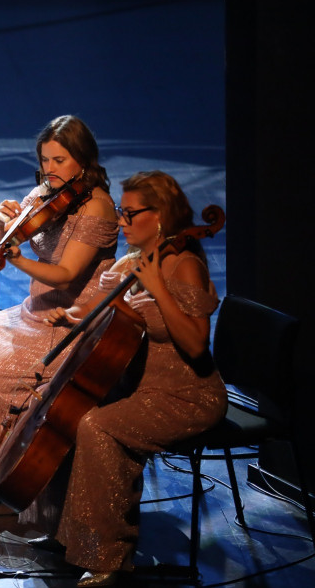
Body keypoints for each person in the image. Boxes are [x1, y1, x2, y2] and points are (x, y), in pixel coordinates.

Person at [46, 171, 226, 586]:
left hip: (187, 395)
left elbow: (197, 345)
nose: (121, 221)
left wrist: (158, 290)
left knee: (98, 426)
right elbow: (105, 309)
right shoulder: (135, 261)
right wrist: (73, 316)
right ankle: (75, 538)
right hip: (145, 387)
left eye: (130, 213)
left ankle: (108, 556)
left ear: (160, 216)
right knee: (72, 411)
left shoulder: (184, 265)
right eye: (121, 212)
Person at [0, 114, 118, 501]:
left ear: (83, 160)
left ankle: (0, 477)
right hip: (35, 309)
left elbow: (66, 274)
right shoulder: (46, 194)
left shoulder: (97, 207)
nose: (49, 170)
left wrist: (13, 257)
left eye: (59, 161)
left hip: (74, 321)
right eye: (45, 160)